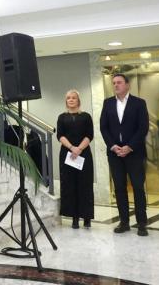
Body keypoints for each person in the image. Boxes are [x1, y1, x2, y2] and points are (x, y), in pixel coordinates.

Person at [100, 74, 149, 236]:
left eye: (119, 82)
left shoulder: (139, 103)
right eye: (113, 83)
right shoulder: (107, 103)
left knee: (138, 187)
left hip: (134, 153)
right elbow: (103, 127)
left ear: (127, 85)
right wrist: (113, 146)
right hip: (115, 154)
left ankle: (141, 223)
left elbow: (143, 128)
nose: (116, 85)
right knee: (120, 188)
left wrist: (129, 147)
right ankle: (124, 221)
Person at [57, 90, 94, 228]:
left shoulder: (86, 116)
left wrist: (79, 149)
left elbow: (89, 135)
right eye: (68, 98)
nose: (71, 100)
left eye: (73, 98)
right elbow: (60, 135)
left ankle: (87, 217)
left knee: (85, 185)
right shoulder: (62, 117)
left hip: (83, 154)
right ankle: (74, 217)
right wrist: (72, 148)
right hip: (67, 155)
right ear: (66, 101)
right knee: (70, 185)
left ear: (78, 100)